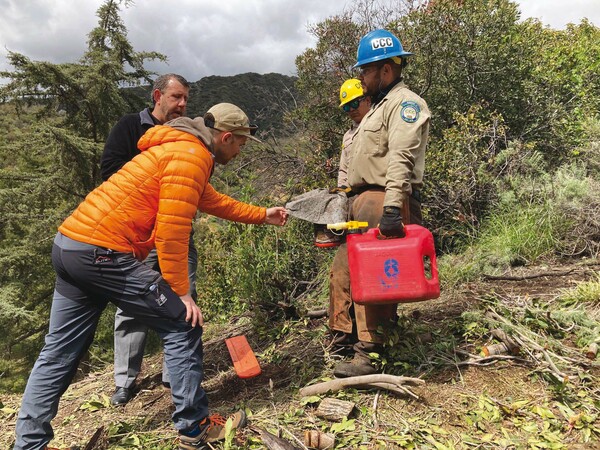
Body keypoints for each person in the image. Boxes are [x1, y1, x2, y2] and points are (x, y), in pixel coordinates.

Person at [14, 103, 288, 450]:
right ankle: (195, 429)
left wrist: (263, 215)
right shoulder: (192, 157)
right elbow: (171, 233)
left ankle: (28, 444)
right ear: (227, 137)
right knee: (183, 323)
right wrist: (181, 293)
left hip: (71, 245)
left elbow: (212, 201)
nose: (239, 152)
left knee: (57, 352)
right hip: (103, 253)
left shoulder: (178, 149)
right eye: (240, 145)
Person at [328, 29, 431, 377]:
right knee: (346, 270)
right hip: (362, 201)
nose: (361, 77)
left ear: (386, 70)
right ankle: (344, 338)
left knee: (375, 276)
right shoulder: (378, 109)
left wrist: (391, 208)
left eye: (366, 71)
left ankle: (369, 351)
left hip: (382, 199)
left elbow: (401, 156)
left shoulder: (405, 105)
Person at [101, 73, 196, 406]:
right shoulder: (130, 126)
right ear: (158, 95)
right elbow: (110, 169)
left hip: (178, 233)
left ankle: (175, 377)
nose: (182, 104)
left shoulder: (185, 135)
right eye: (176, 97)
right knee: (131, 306)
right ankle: (124, 381)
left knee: (182, 301)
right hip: (138, 237)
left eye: (185, 99)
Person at [313, 78, 372, 248]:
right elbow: (344, 169)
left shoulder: (379, 126)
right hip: (353, 193)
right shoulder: (347, 136)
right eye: (346, 107)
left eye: (354, 103)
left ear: (367, 100)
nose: (351, 110)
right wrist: (341, 194)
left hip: (372, 190)